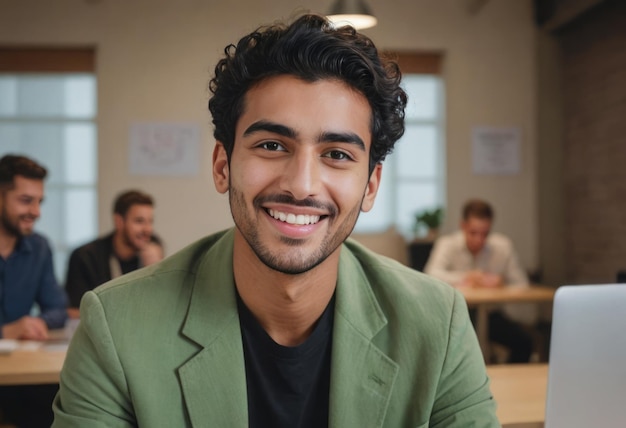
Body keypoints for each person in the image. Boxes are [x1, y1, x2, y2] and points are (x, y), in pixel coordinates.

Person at [52, 14, 499, 426]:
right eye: (271, 145)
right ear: (222, 165)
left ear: (371, 186)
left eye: (338, 155)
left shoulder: (436, 324)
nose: (302, 185)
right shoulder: (116, 325)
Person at [0, 154, 67, 427]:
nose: (37, 212)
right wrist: (6, 331)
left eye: (39, 201)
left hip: (20, 375)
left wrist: (38, 321)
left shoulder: (39, 248)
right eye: (26, 200)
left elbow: (58, 309)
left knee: (61, 402)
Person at [424, 198, 536, 363]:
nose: (479, 240)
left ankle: (507, 382)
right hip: (456, 315)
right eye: (473, 233)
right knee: (450, 349)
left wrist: (501, 281)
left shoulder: (502, 246)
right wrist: (466, 276)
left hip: (491, 315)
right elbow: (430, 275)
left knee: (525, 343)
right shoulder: (447, 244)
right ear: (463, 226)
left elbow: (522, 284)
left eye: (485, 234)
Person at [64, 189, 155, 318]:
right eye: (139, 221)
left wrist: (155, 271)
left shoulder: (153, 251)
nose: (147, 229)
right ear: (119, 221)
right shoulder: (85, 256)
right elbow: (73, 311)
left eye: (150, 221)